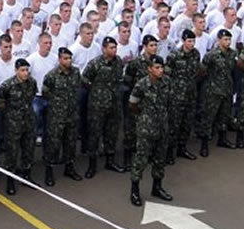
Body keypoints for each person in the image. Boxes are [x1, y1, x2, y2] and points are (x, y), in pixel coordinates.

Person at [128, 55, 173, 207]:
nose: (161, 70)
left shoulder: (167, 82)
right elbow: (133, 105)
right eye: (157, 68)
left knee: (160, 159)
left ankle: (157, 187)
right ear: (149, 69)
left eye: (162, 67)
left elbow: (169, 102)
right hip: (146, 128)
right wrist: (145, 115)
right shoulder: (142, 85)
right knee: (141, 159)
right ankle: (134, 190)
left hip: (162, 126)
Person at [81, 36, 124, 177]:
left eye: (115, 47)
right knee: (94, 134)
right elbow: (85, 78)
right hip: (97, 105)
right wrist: (94, 90)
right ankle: (92, 165)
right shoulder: (95, 63)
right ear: (104, 49)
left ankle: (110, 161)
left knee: (111, 134)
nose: (114, 50)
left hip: (114, 104)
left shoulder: (118, 62)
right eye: (111, 48)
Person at [0, 58, 39, 195]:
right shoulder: (8, 85)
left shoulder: (32, 82)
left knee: (28, 150)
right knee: (12, 153)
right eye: (22, 70)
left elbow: (32, 96)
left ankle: (27, 176)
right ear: (16, 70)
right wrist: (9, 111)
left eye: (27, 70)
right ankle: (10, 181)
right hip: (13, 124)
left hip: (28, 122)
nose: (26, 73)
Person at [40, 47, 83, 186]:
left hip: (72, 114)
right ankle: (49, 170)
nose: (68, 61)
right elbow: (45, 93)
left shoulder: (76, 72)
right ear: (59, 60)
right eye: (65, 58)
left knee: (70, 143)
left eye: (70, 58)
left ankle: (69, 167)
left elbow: (77, 87)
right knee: (54, 144)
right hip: (56, 116)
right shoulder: (51, 76)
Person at [198, 29, 237, 157]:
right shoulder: (212, 55)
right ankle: (204, 144)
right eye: (225, 39)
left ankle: (222, 138)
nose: (228, 42)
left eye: (229, 39)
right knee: (208, 117)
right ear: (219, 40)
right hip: (213, 91)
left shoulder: (232, 54)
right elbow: (203, 72)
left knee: (224, 116)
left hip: (227, 89)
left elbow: (232, 71)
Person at [122, 35, 158, 169]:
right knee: (131, 128)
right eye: (151, 45)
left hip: (150, 101)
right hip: (137, 100)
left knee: (148, 129)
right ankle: (127, 156)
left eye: (155, 45)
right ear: (145, 47)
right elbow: (127, 80)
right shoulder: (136, 63)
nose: (154, 48)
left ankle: (146, 154)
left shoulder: (157, 62)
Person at [166, 29, 201, 160]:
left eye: (193, 41)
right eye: (189, 41)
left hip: (191, 94)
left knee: (187, 124)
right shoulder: (174, 56)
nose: (192, 44)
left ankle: (182, 148)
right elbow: (167, 76)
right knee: (174, 124)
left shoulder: (196, 54)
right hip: (176, 96)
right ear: (183, 41)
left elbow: (196, 72)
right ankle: (169, 151)